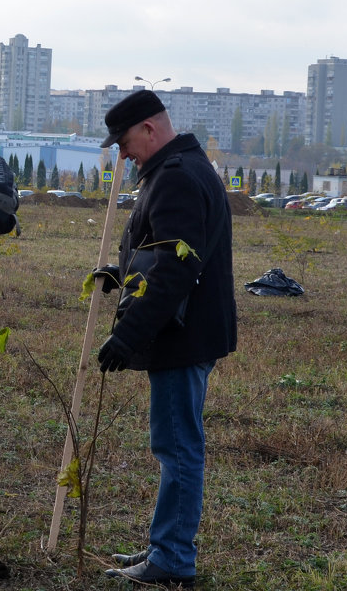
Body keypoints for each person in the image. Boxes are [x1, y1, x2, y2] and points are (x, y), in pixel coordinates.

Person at [95, 89, 236, 588]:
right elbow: (164, 252)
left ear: (150, 129)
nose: (123, 152)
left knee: (177, 447)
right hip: (186, 331)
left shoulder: (175, 178)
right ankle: (166, 541)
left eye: (126, 141)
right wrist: (124, 273)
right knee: (175, 444)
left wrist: (128, 335)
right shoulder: (184, 168)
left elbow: (178, 272)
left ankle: (173, 558)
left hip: (182, 335)